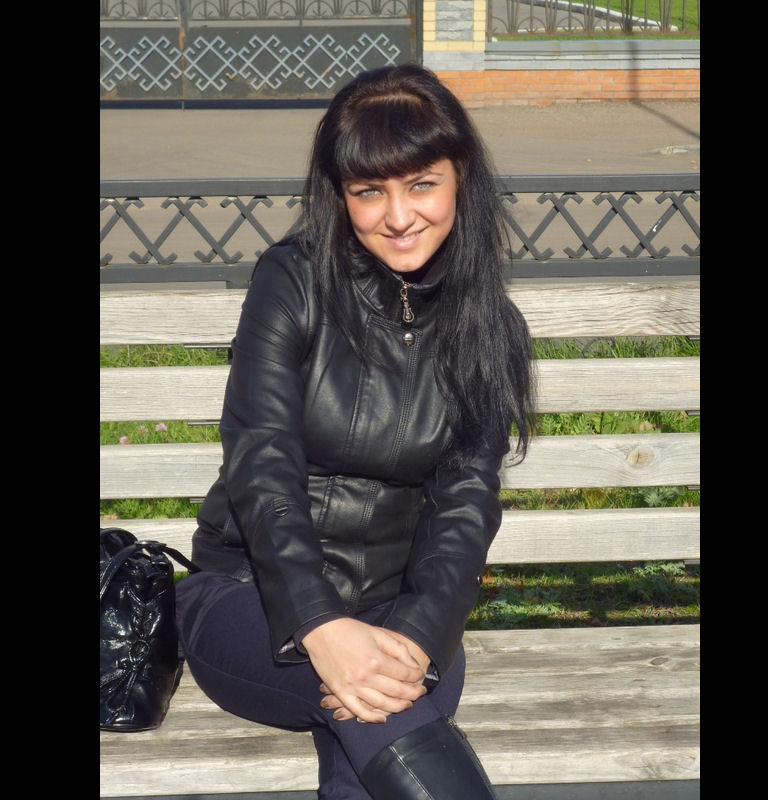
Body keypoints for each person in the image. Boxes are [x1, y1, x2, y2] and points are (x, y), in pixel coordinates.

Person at [175, 63, 533, 799]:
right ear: (341, 196)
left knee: (376, 719)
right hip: (252, 597)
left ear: (461, 178)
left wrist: (419, 636)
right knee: (387, 712)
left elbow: (466, 505)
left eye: (422, 184)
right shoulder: (293, 282)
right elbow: (262, 464)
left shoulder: (488, 325)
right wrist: (320, 627)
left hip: (403, 611)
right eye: (370, 191)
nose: (398, 216)